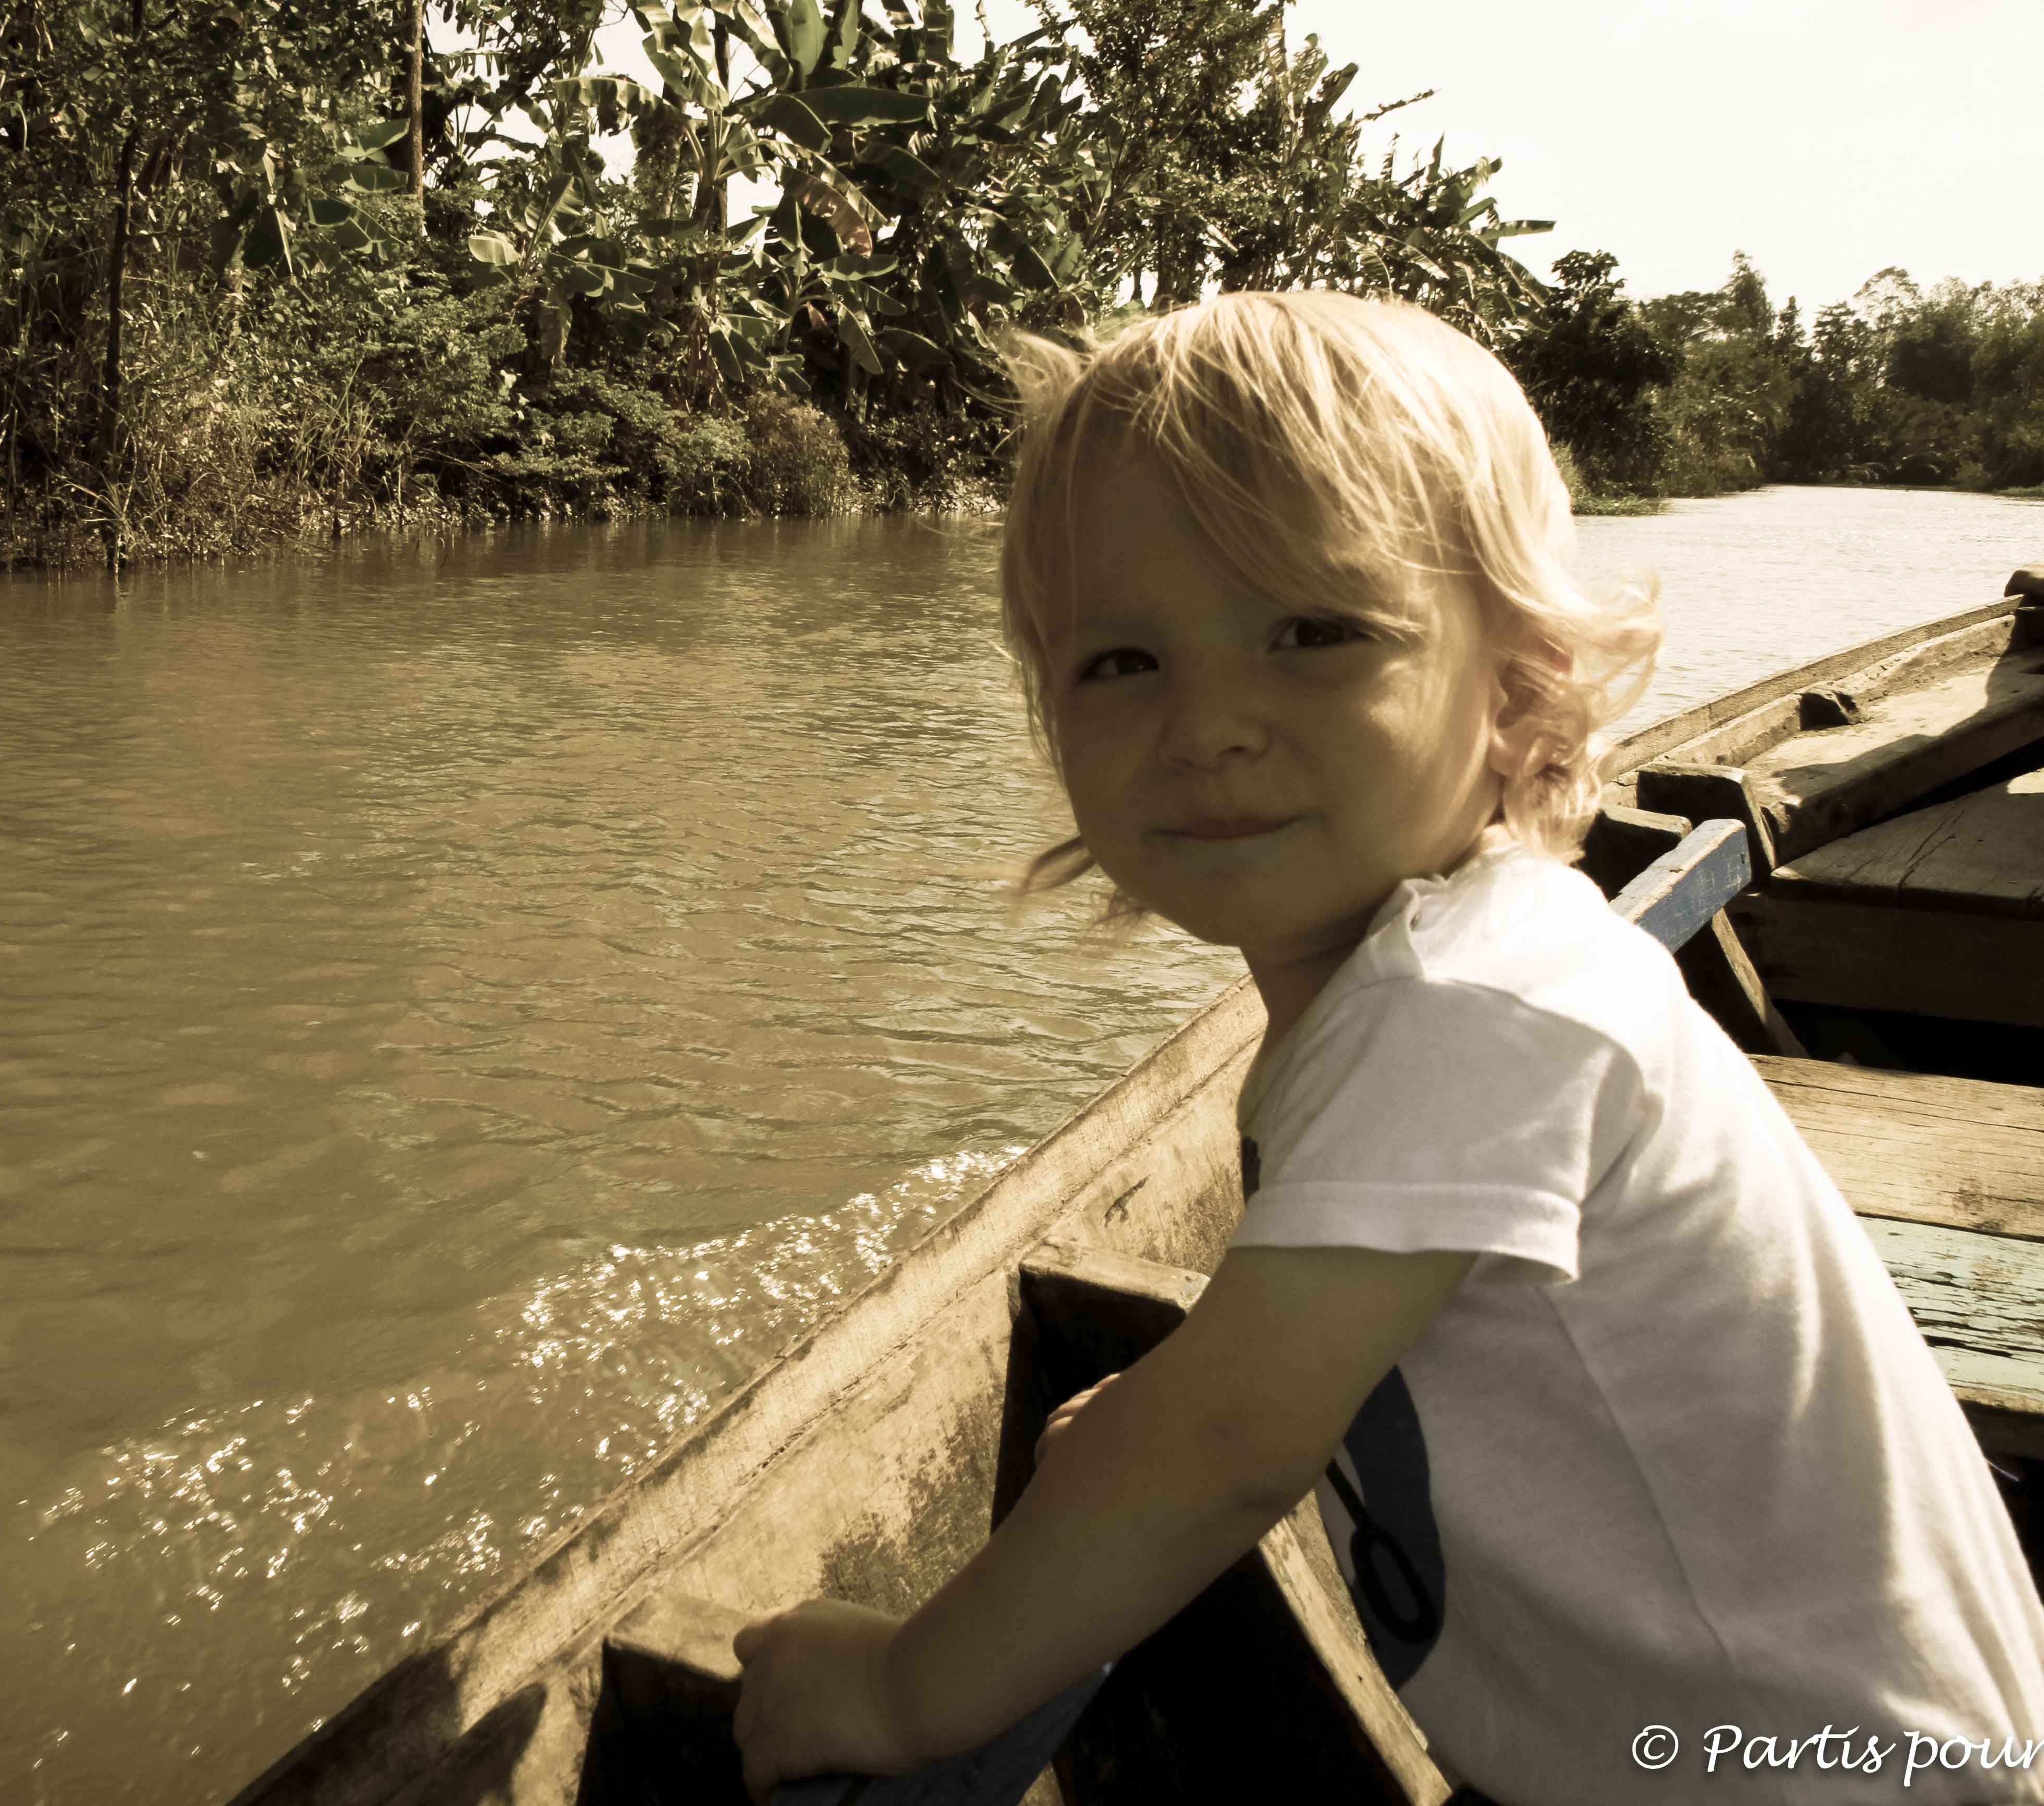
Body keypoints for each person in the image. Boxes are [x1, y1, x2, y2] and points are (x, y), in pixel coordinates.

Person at [727, 291, 2044, 1804]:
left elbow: (1225, 1445)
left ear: (1517, 686)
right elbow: (1269, 1383)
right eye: (1120, 663)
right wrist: (1188, 1398)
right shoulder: (1447, 976)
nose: (1210, 721)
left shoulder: (1466, 1004)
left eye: (1315, 633)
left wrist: (903, 1690)